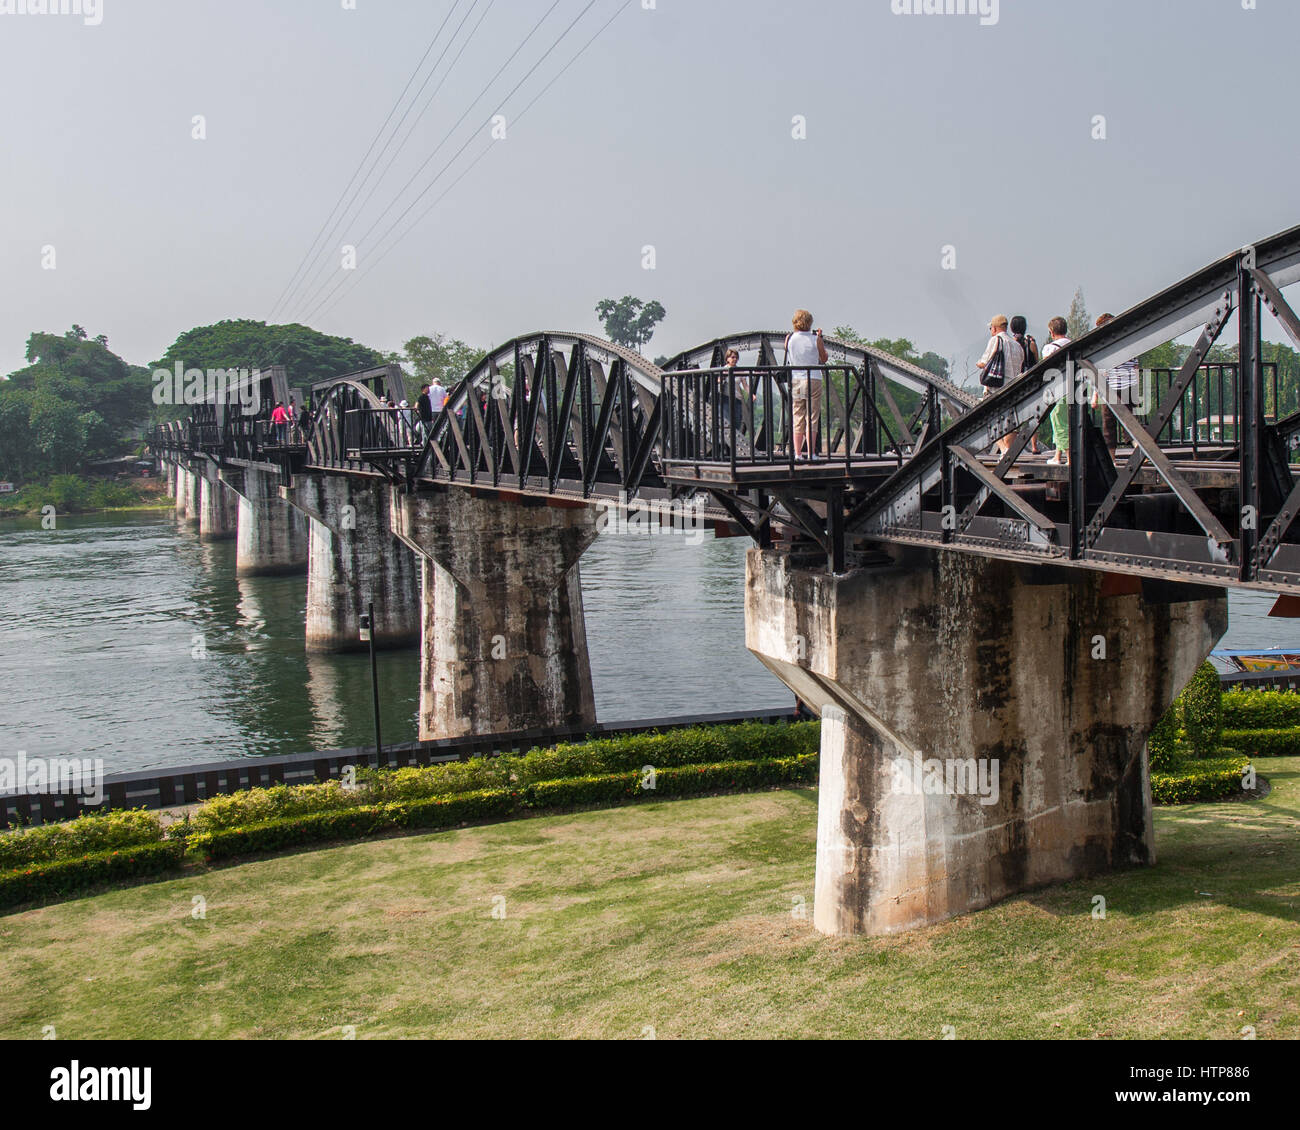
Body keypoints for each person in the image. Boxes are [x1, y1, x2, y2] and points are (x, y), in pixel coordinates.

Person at [1092, 313, 1140, 460]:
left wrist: (1095, 395)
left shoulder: (1104, 345)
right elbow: (1135, 367)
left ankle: (1112, 459)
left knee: (1109, 425)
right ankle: (1139, 448)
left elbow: (1100, 372)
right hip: (1128, 387)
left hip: (1110, 388)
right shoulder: (1128, 343)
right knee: (1129, 422)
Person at [976, 315, 1024, 454]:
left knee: (988, 418)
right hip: (1013, 386)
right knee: (1011, 421)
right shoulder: (1017, 345)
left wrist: (978, 363)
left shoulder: (996, 340)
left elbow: (985, 361)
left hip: (996, 386)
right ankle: (1009, 451)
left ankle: (1003, 449)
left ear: (995, 328)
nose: (991, 330)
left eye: (991, 327)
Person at [786, 310, 828, 460]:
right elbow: (824, 358)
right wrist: (820, 338)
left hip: (797, 379)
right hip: (814, 378)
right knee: (812, 417)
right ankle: (811, 453)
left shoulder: (789, 338)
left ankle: (797, 454)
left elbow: (789, 353)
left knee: (798, 416)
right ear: (810, 322)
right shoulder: (815, 339)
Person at [1041, 317, 1073, 464]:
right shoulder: (1074, 344)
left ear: (1052, 332)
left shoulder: (1049, 348)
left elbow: (1046, 370)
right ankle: (1057, 456)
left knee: (1059, 423)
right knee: (1068, 422)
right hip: (1074, 389)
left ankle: (1070, 458)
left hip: (1057, 390)